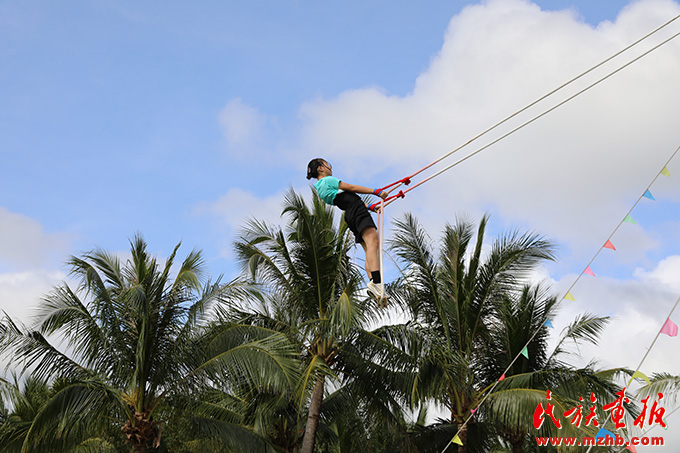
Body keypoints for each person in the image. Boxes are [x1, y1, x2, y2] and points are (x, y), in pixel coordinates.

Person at [306, 158, 388, 303]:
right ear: (320, 168)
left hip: (351, 214)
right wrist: (376, 191)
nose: (330, 167)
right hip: (357, 211)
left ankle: (372, 282)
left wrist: (370, 207)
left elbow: (346, 199)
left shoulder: (320, 189)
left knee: (369, 248)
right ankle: (377, 282)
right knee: (372, 243)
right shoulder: (328, 180)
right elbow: (352, 188)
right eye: (327, 164)